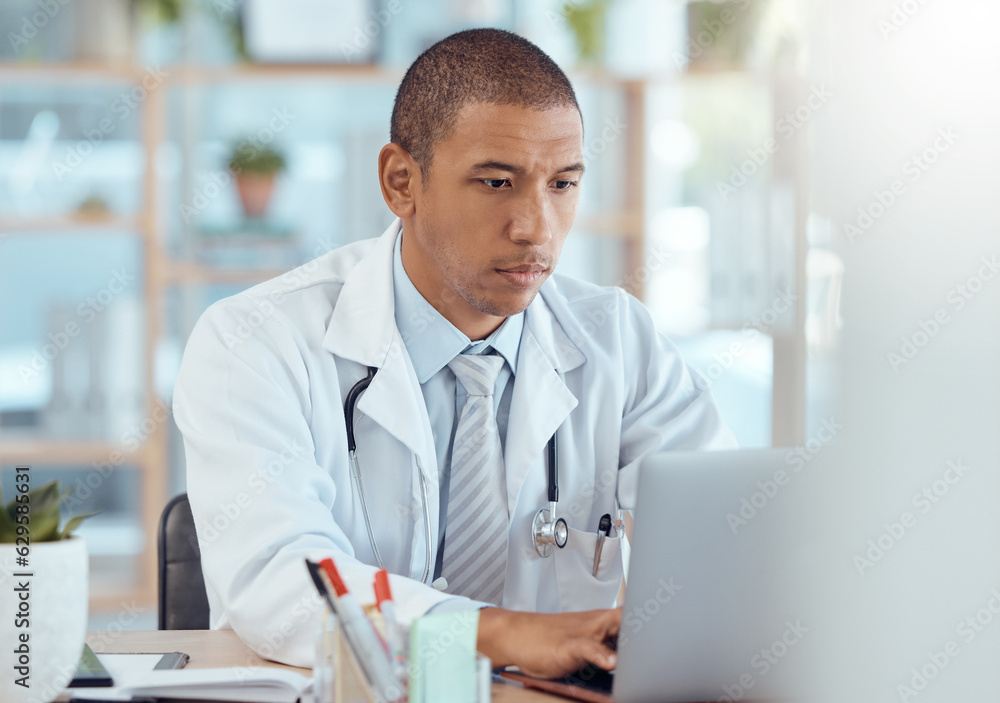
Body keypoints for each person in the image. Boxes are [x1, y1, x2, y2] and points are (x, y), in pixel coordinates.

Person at [173, 28, 736, 678]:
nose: (536, 228)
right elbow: (280, 582)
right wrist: (502, 634)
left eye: (562, 184)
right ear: (400, 181)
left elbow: (729, 533)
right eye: (498, 182)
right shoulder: (253, 342)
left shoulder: (617, 338)